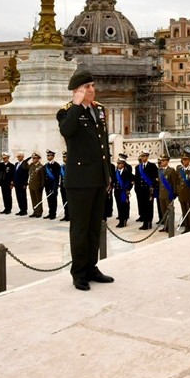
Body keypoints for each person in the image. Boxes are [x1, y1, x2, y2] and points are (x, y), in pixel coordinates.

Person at [57, 69, 114, 291]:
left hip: (98, 178)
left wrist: (107, 175)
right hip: (80, 180)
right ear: (77, 90)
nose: (92, 90)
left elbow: (103, 148)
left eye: (92, 86)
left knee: (93, 227)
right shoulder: (66, 112)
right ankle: (79, 273)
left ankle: (92, 267)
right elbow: (67, 131)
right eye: (87, 87)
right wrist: (77, 104)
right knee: (80, 229)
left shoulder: (99, 110)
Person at [155, 154, 181, 233]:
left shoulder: (171, 170)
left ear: (167, 161)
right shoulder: (160, 170)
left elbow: (174, 182)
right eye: (161, 161)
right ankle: (165, 226)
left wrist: (174, 193)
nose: (162, 162)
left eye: (163, 161)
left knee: (170, 211)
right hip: (161, 194)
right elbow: (159, 183)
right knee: (163, 211)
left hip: (168, 194)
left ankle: (170, 227)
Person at [133, 150, 157, 230]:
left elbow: (155, 177)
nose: (144, 158)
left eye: (145, 156)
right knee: (143, 206)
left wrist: (153, 187)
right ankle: (145, 221)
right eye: (142, 156)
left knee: (149, 206)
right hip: (141, 190)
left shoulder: (152, 166)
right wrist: (136, 189)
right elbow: (137, 179)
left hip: (149, 190)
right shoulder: (138, 167)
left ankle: (149, 222)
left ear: (147, 157)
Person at [112, 154, 134, 227]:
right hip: (117, 191)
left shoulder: (127, 172)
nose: (118, 165)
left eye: (119, 163)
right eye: (117, 163)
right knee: (119, 206)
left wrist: (128, 189)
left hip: (124, 192)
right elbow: (114, 181)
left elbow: (131, 181)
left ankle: (124, 221)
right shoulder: (116, 173)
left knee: (124, 206)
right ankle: (120, 219)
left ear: (123, 164)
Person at [43, 150, 62, 220]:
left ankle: (53, 213)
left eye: (49, 155)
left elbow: (57, 177)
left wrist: (55, 187)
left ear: (53, 156)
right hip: (47, 186)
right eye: (47, 155)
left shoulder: (56, 165)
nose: (48, 157)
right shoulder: (46, 165)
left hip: (53, 185)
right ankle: (50, 212)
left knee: (53, 199)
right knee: (49, 199)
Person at [27, 150, 45, 218]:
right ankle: (35, 211)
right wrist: (28, 158)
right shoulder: (32, 165)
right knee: (33, 199)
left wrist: (42, 186)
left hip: (38, 185)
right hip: (31, 185)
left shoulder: (41, 166)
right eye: (33, 158)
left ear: (38, 159)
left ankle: (39, 212)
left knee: (38, 199)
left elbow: (43, 177)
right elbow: (24, 166)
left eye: (35, 158)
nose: (33, 159)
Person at [13, 151, 29, 216]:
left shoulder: (25, 164)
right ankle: (21, 209)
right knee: (18, 197)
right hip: (17, 183)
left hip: (22, 183)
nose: (18, 158)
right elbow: (14, 173)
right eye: (17, 156)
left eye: (19, 156)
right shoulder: (16, 164)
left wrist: (25, 183)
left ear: (22, 157)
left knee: (23, 196)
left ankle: (24, 210)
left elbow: (26, 175)